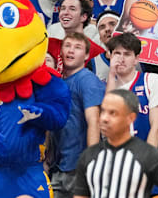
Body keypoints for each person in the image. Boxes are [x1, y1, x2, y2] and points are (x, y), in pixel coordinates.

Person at [73, 89, 158, 198]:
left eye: (113, 113)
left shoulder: (149, 156)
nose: (104, 118)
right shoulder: (89, 155)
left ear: (130, 118)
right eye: (103, 111)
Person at [51, 33, 105, 198]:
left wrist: (91, 163)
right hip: (60, 165)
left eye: (78, 47)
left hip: (80, 167)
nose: (71, 51)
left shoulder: (87, 79)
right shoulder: (59, 82)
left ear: (87, 55)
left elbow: (94, 121)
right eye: (67, 46)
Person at [106, 33, 158, 148]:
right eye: (117, 53)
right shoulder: (108, 88)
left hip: (152, 158)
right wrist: (111, 75)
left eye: (127, 54)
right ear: (110, 56)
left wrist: (146, 161)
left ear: (136, 59)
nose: (121, 59)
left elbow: (156, 128)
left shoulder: (152, 80)